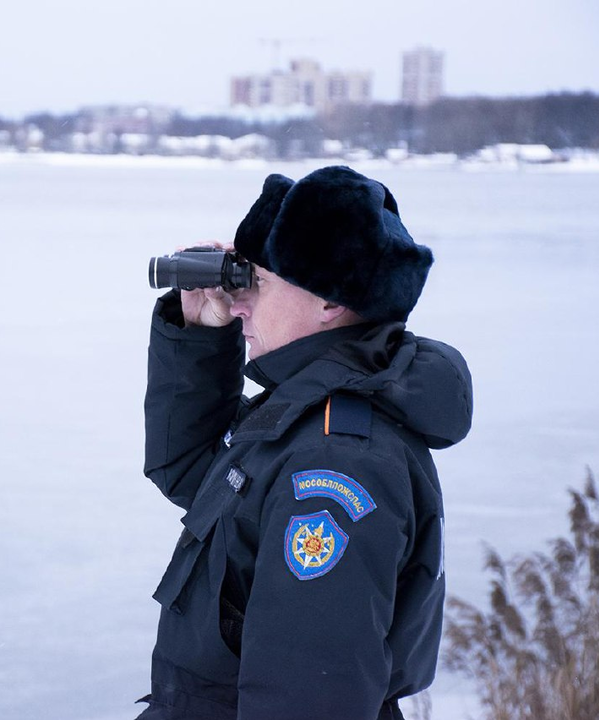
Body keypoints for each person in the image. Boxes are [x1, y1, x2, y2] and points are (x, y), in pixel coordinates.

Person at [137, 166, 474, 720]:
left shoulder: (334, 464)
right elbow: (191, 475)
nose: (238, 301)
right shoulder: (301, 413)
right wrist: (199, 331)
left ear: (328, 302)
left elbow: (310, 699)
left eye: (257, 281)